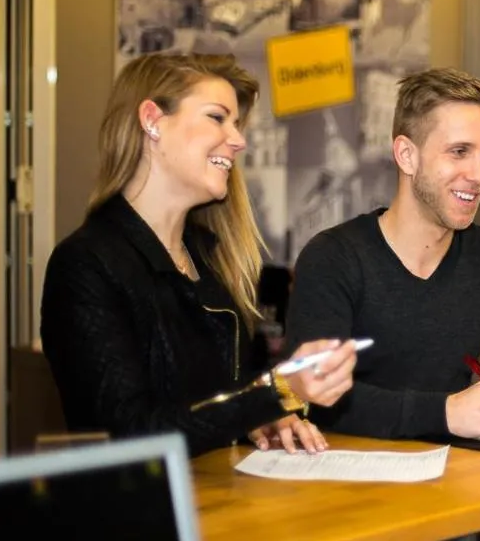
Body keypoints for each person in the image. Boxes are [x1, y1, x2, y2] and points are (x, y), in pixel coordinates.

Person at [41, 53, 358, 457]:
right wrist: (273, 395)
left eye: (237, 124)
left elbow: (217, 403)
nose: (239, 140)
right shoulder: (85, 265)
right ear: (153, 121)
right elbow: (130, 434)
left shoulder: (209, 263)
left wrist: (263, 414)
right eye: (217, 117)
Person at [285, 67, 480, 440]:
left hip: (456, 475)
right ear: (406, 155)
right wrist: (446, 413)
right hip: (348, 480)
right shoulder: (332, 258)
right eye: (459, 152)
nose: (479, 175)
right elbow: (317, 397)